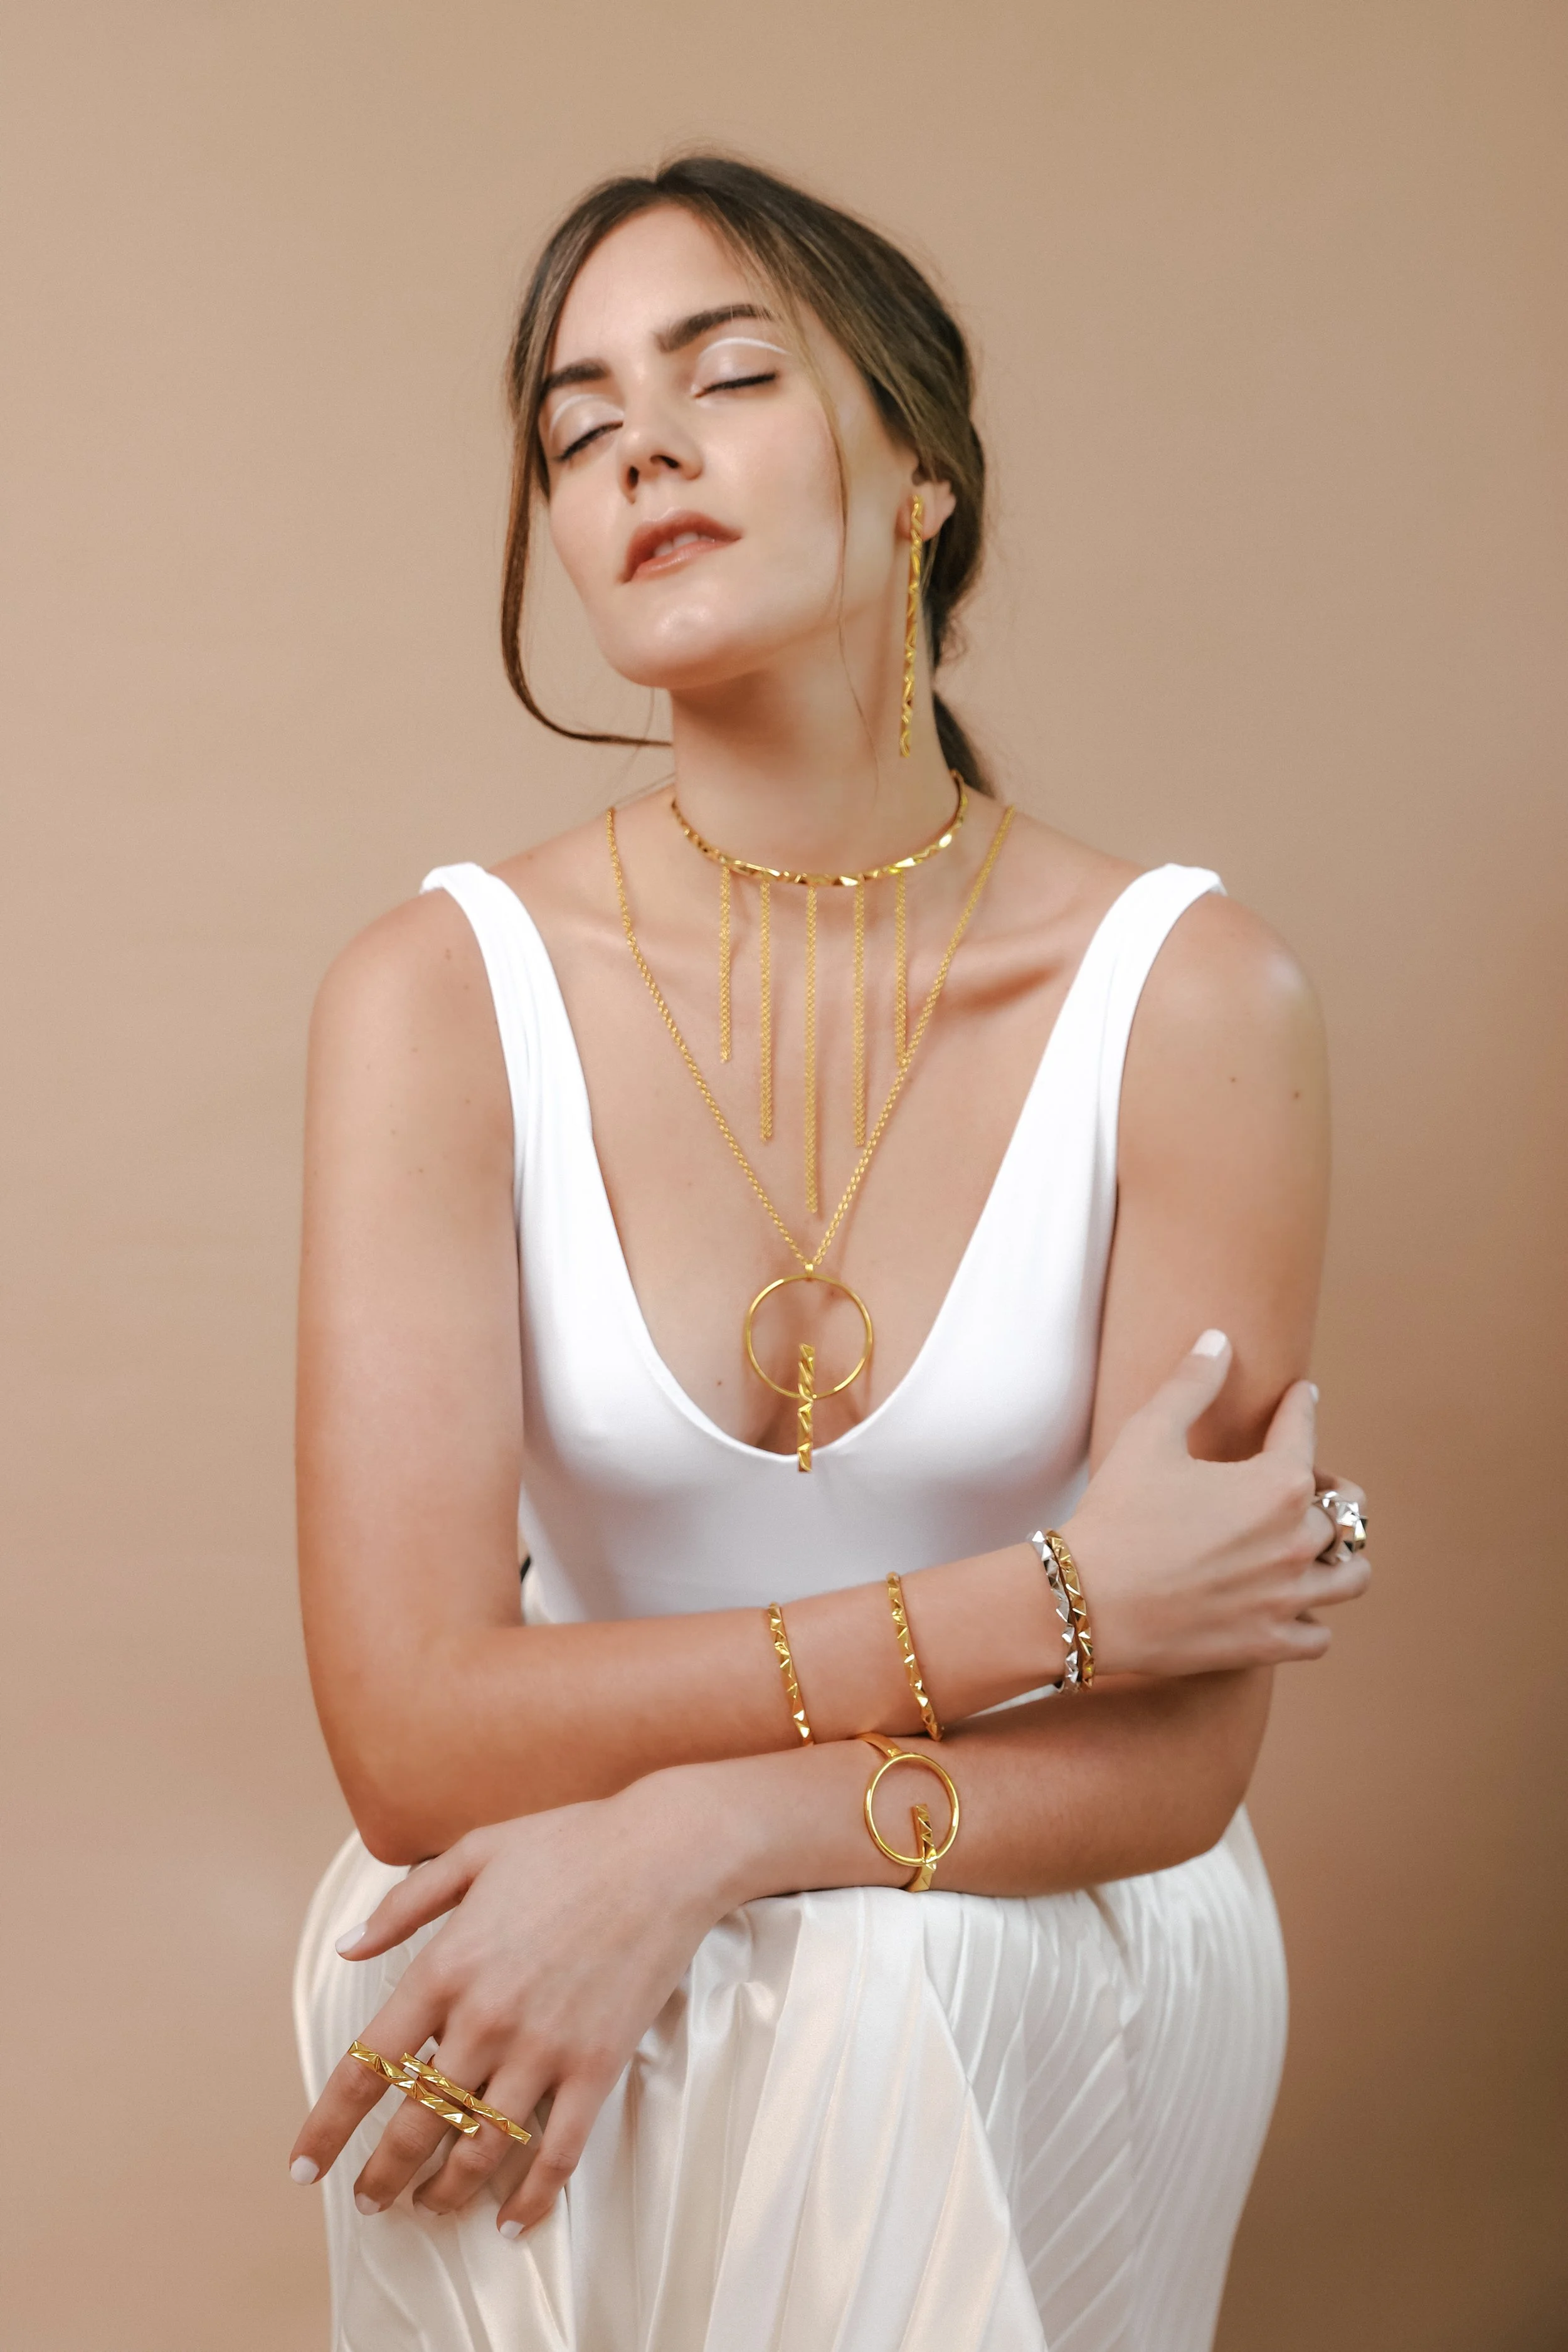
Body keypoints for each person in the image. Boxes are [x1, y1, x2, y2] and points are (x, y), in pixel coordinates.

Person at [287, 154, 1369, 2352]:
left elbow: (1173, 1758)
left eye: (727, 378)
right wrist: (1054, 1599)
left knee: (873, 1987)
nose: (641, 451)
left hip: (1030, 1893)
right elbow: (409, 1737)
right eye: (578, 429)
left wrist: (690, 1834)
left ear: (921, 480)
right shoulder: (437, 993)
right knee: (448, 1936)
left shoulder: (1187, 996)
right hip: (523, 1858)